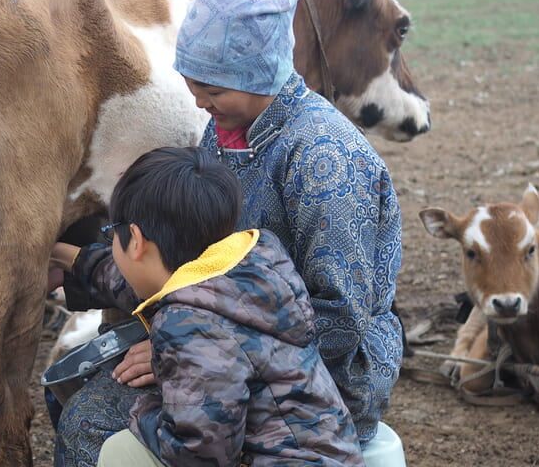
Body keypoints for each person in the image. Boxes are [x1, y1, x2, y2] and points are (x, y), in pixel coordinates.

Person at [53, 0, 403, 465]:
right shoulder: (229, 129)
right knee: (82, 396)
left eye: (212, 89)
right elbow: (192, 266)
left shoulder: (326, 159)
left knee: (90, 425)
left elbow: (341, 318)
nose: (199, 104)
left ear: (261, 72)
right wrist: (73, 266)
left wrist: (188, 351)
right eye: (193, 85)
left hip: (321, 380)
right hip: (227, 341)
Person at [50, 145, 364, 467]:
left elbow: (199, 453)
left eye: (110, 234)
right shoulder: (249, 270)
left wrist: (142, 410)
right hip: (328, 454)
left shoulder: (189, 324)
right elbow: (132, 281)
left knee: (118, 447)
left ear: (136, 238)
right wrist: (68, 258)